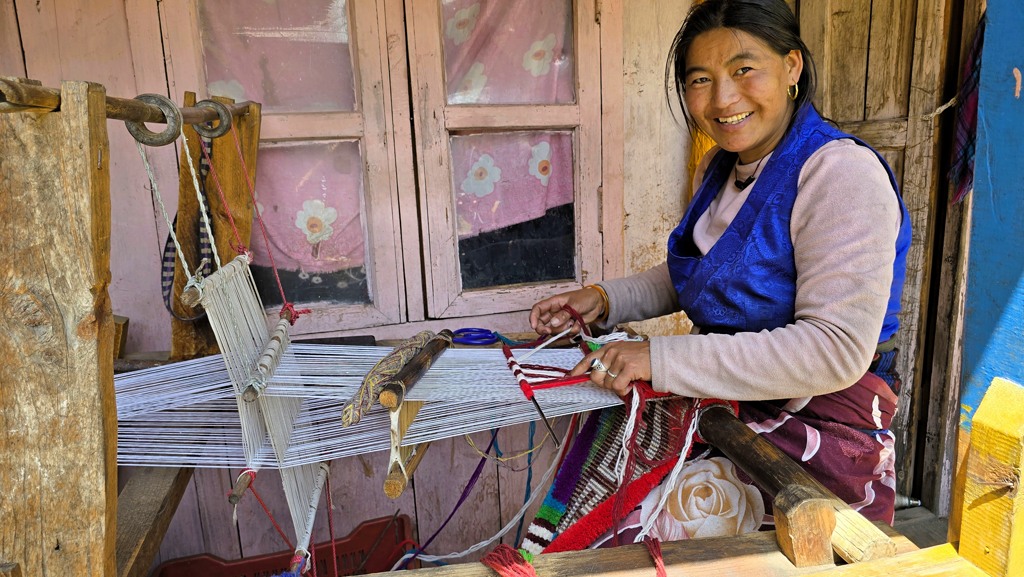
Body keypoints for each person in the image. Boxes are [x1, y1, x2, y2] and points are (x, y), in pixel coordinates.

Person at [529, 0, 911, 526]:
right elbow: (705, 275)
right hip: (726, 408)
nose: (723, 98)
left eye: (743, 70)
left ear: (792, 67)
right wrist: (604, 298)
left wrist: (658, 359)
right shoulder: (719, 166)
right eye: (700, 79)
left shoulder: (840, 174)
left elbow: (835, 349)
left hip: (817, 431)